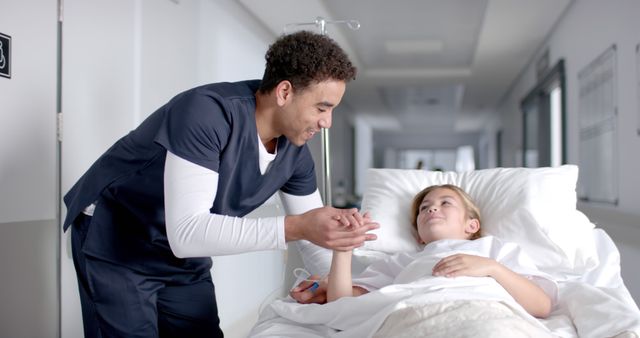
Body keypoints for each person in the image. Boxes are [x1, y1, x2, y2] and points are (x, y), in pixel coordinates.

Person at [62, 31, 379, 338]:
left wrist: (332, 278)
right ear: (284, 93)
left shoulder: (295, 154)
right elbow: (188, 232)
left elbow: (314, 237)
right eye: (322, 108)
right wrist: (296, 227)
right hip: (117, 237)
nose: (327, 123)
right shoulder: (207, 112)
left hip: (181, 254)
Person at [294, 184, 553, 322]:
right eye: (424, 208)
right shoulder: (404, 261)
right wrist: (343, 250)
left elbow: (541, 306)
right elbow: (343, 306)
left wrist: (491, 268)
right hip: (417, 317)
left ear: (471, 225)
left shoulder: (493, 250)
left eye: (445, 203)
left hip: (487, 316)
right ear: (418, 235)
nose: (431, 209)